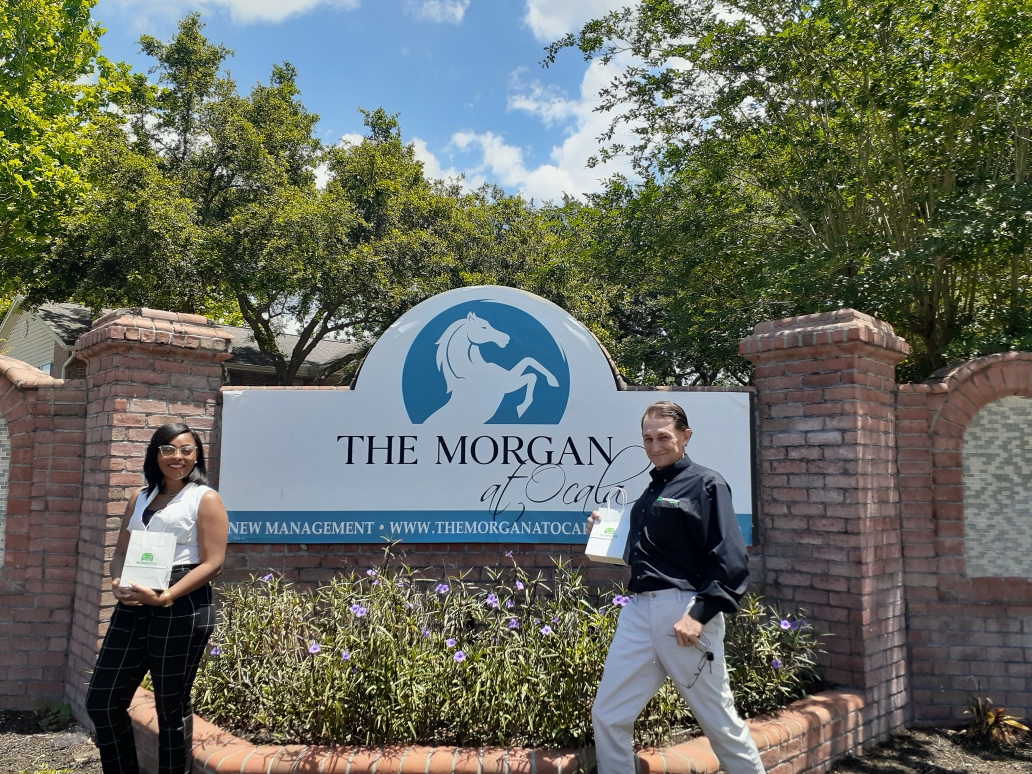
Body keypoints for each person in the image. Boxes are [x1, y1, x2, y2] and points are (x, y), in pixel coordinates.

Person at [587, 401, 764, 774]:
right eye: (648, 438)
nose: (655, 446)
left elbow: (731, 560)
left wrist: (699, 614)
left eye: (664, 437)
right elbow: (647, 556)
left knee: (719, 722)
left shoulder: (706, 484)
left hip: (684, 613)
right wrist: (604, 533)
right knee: (608, 714)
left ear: (685, 436)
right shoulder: (652, 491)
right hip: (638, 614)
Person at [86, 423, 229, 774]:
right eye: (168, 449)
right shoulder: (140, 497)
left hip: (182, 603)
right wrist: (116, 581)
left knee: (170, 708)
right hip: (133, 603)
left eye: (186, 450)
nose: (177, 457)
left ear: (197, 456)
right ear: (155, 454)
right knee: (102, 701)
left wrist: (165, 597)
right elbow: (122, 552)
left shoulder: (204, 498)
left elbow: (213, 563)